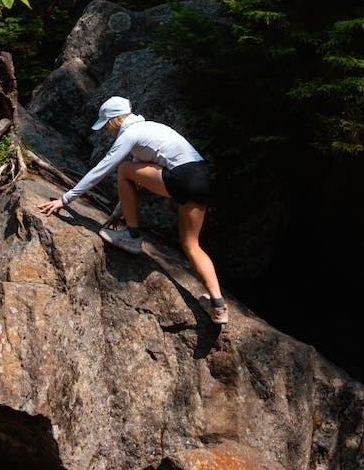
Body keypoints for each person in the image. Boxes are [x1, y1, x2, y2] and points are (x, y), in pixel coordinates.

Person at [36, 95, 228, 324]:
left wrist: (65, 200)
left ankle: (133, 237)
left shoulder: (130, 134)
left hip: (181, 177)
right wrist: (118, 213)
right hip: (202, 177)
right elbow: (138, 181)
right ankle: (217, 305)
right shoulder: (151, 130)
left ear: (114, 121)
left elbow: (103, 168)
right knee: (191, 244)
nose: (106, 131)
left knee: (124, 168)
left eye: (106, 126)